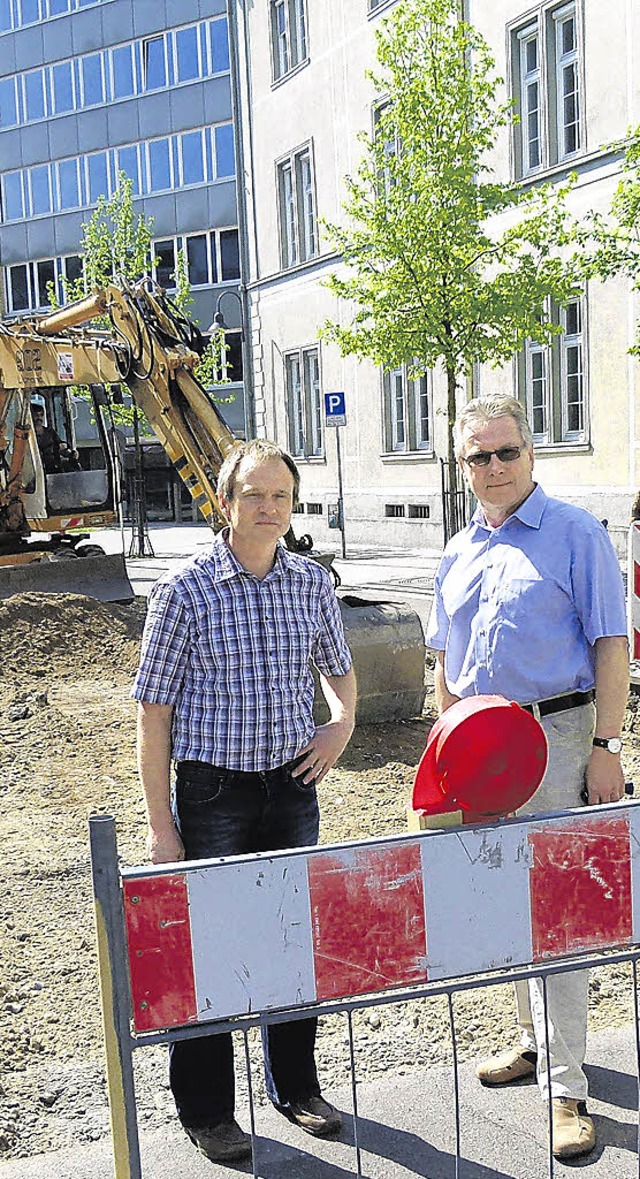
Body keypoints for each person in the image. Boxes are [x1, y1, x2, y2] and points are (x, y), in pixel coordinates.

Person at [132, 439, 357, 1164]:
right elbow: (154, 714)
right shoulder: (186, 589)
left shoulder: (309, 582)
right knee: (214, 952)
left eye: (281, 496)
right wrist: (162, 826)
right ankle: (207, 1111)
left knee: (293, 939)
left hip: (292, 785)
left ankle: (296, 1086)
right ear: (224, 502)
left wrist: (340, 726)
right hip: (213, 791)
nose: (268, 509)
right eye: (254, 495)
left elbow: (340, 672)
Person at [426, 395, 628, 1161]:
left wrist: (606, 743)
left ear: (532, 453)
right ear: (463, 465)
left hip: (560, 738)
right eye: (478, 456)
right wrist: (444, 756)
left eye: (506, 451)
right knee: (505, 904)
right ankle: (534, 1040)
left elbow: (613, 644)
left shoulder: (577, 535)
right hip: (480, 751)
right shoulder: (457, 549)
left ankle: (567, 1090)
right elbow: (446, 660)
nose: (494, 467)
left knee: (560, 915)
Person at [31, 404, 79, 473]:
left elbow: (61, 446)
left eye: (41, 415)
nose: (39, 418)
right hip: (35, 470)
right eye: (36, 415)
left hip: (54, 468)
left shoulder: (50, 432)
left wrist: (70, 453)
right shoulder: (27, 435)